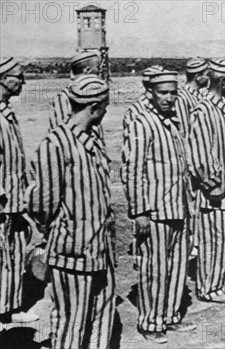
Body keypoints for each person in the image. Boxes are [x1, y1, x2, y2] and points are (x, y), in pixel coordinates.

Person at [26, 75, 115, 348]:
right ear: (96, 107)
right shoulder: (55, 144)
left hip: (100, 248)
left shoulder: (91, 141)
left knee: (103, 314)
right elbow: (42, 204)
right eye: (105, 107)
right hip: (72, 253)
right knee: (71, 323)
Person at [122, 70, 195, 344]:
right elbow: (133, 170)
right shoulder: (142, 123)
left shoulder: (173, 121)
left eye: (172, 92)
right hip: (156, 210)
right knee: (155, 268)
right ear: (150, 92)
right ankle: (151, 322)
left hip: (178, 206)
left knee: (177, 266)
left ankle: (170, 316)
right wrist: (139, 211)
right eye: (162, 93)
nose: (168, 98)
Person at [187, 58, 225, 302]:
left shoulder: (224, 106)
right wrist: (211, 184)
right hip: (217, 191)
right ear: (223, 80)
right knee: (214, 239)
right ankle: (209, 288)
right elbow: (199, 152)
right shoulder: (204, 110)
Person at [0, 57, 39, 325]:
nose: (23, 82)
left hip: (14, 203)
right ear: (3, 79)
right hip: (2, 203)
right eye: (18, 77)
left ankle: (8, 308)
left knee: (13, 254)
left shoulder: (7, 114)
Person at [49, 51, 104, 140]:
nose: (100, 71)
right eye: (98, 67)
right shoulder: (63, 98)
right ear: (87, 70)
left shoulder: (91, 94)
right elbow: (61, 137)